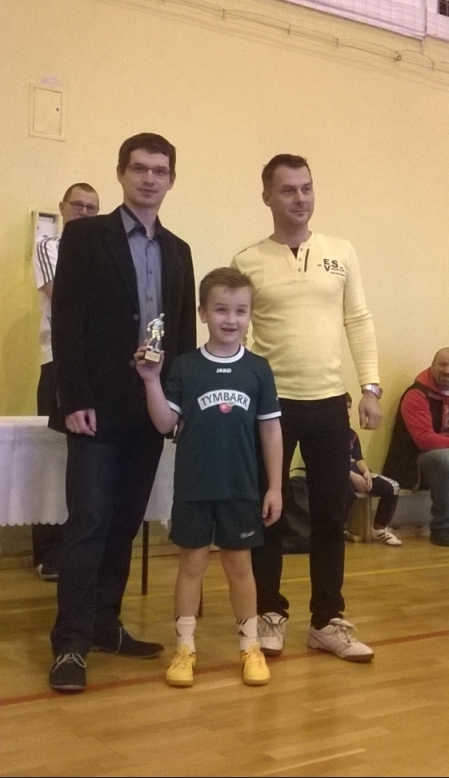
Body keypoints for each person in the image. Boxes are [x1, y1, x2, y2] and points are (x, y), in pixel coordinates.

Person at [47, 132, 197, 692]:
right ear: (121, 174)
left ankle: (105, 625)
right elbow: (67, 321)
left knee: (125, 524)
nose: (149, 178)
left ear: (172, 179)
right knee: (87, 523)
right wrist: (73, 398)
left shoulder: (179, 250)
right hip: (96, 409)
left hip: (149, 412)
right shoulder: (87, 236)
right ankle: (69, 643)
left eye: (159, 170)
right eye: (139, 169)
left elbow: (182, 334)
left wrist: (178, 403)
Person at [231, 153, 382, 662]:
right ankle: (269, 612)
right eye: (288, 190)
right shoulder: (247, 260)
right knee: (269, 513)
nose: (300, 198)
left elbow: (358, 319)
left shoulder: (341, 252)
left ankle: (327, 620)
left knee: (331, 514)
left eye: (306, 188)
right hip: (270, 410)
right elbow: (238, 332)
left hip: (329, 405)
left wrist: (371, 387)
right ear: (267, 197)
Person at [135, 267, 283, 687]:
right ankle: (185, 647)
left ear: (250, 315)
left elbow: (271, 430)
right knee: (192, 564)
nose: (230, 319)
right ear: (203, 312)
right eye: (221, 309)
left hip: (241, 487)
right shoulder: (185, 367)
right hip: (195, 486)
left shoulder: (258, 369)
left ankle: (250, 647)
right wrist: (151, 381)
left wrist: (274, 487)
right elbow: (165, 423)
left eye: (240, 310)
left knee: (240, 565)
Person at [31, 183, 100, 581]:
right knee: (54, 459)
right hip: (58, 363)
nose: (84, 213)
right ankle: (49, 552)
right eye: (78, 205)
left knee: (87, 460)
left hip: (96, 366)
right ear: (62, 207)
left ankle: (82, 547)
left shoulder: (102, 251)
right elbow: (63, 298)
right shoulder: (49, 247)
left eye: (92, 208)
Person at [382, 347, 449, 547]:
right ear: (432, 366)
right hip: (412, 462)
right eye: (442, 365)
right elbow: (424, 440)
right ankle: (442, 527)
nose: (447, 370)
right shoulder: (416, 394)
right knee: (444, 459)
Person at [344, 392, 401, 546]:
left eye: (348, 407)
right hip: (339, 474)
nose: (346, 411)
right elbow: (329, 463)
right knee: (345, 491)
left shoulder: (352, 434)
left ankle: (379, 528)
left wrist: (366, 472)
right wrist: (351, 476)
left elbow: (358, 458)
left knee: (393, 487)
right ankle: (338, 528)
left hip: (356, 472)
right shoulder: (324, 435)